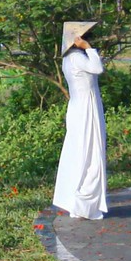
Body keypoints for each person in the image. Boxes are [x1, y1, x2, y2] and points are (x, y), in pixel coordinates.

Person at [53, 20, 108, 220]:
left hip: (80, 107)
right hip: (86, 108)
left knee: (81, 151)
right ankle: (83, 203)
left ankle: (80, 202)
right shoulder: (76, 58)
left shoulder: (69, 59)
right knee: (90, 151)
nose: (87, 39)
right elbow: (97, 68)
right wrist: (89, 49)